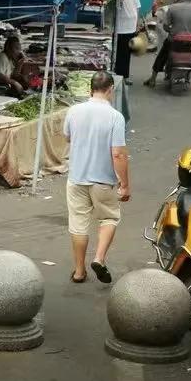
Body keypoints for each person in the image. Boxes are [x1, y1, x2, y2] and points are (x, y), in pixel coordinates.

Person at [63, 72, 130, 284]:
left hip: (77, 178)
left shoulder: (74, 111)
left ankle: (79, 271)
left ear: (90, 89)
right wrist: (125, 185)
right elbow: (118, 153)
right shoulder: (115, 117)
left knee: (78, 225)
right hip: (103, 180)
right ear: (110, 89)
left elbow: (67, 136)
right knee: (108, 218)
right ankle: (99, 259)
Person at [144, 0, 191, 89]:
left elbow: (165, 26)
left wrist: (173, 30)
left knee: (162, 55)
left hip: (174, 41)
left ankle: (152, 79)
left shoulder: (173, 8)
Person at [114, 0, 142, 85]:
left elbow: (137, 7)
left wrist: (137, 24)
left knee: (127, 53)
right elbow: (119, 3)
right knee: (120, 53)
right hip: (121, 27)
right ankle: (118, 76)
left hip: (131, 25)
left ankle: (125, 76)